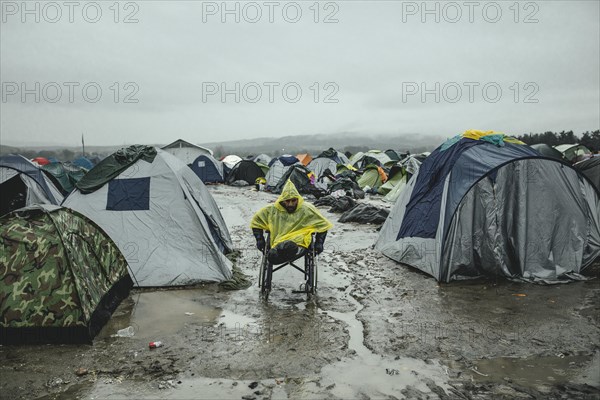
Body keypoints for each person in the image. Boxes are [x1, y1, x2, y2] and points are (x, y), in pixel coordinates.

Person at [250, 180, 333, 264]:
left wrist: (319, 242)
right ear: (282, 200)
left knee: (289, 247)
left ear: (298, 199)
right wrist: (259, 239)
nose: (290, 204)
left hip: (300, 242)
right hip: (278, 242)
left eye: (293, 201)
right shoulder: (272, 210)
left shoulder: (307, 209)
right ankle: (278, 253)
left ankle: (284, 250)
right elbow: (256, 221)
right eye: (287, 201)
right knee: (274, 255)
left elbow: (322, 225)